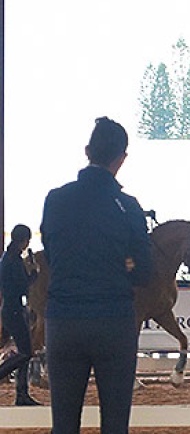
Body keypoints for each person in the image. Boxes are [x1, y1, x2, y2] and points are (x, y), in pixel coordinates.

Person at [41, 117, 153, 434]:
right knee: (115, 424)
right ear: (122, 158)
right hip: (113, 321)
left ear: (87, 151)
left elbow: (52, 254)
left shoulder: (55, 199)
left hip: (63, 320)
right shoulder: (128, 207)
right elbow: (144, 272)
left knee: (63, 424)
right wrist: (123, 266)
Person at [0, 224, 41, 406]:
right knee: (25, 352)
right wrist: (34, 274)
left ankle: (22, 393)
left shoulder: (7, 258)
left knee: (25, 351)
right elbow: (23, 286)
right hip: (15, 308)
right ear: (24, 240)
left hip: (11, 308)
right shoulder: (13, 260)